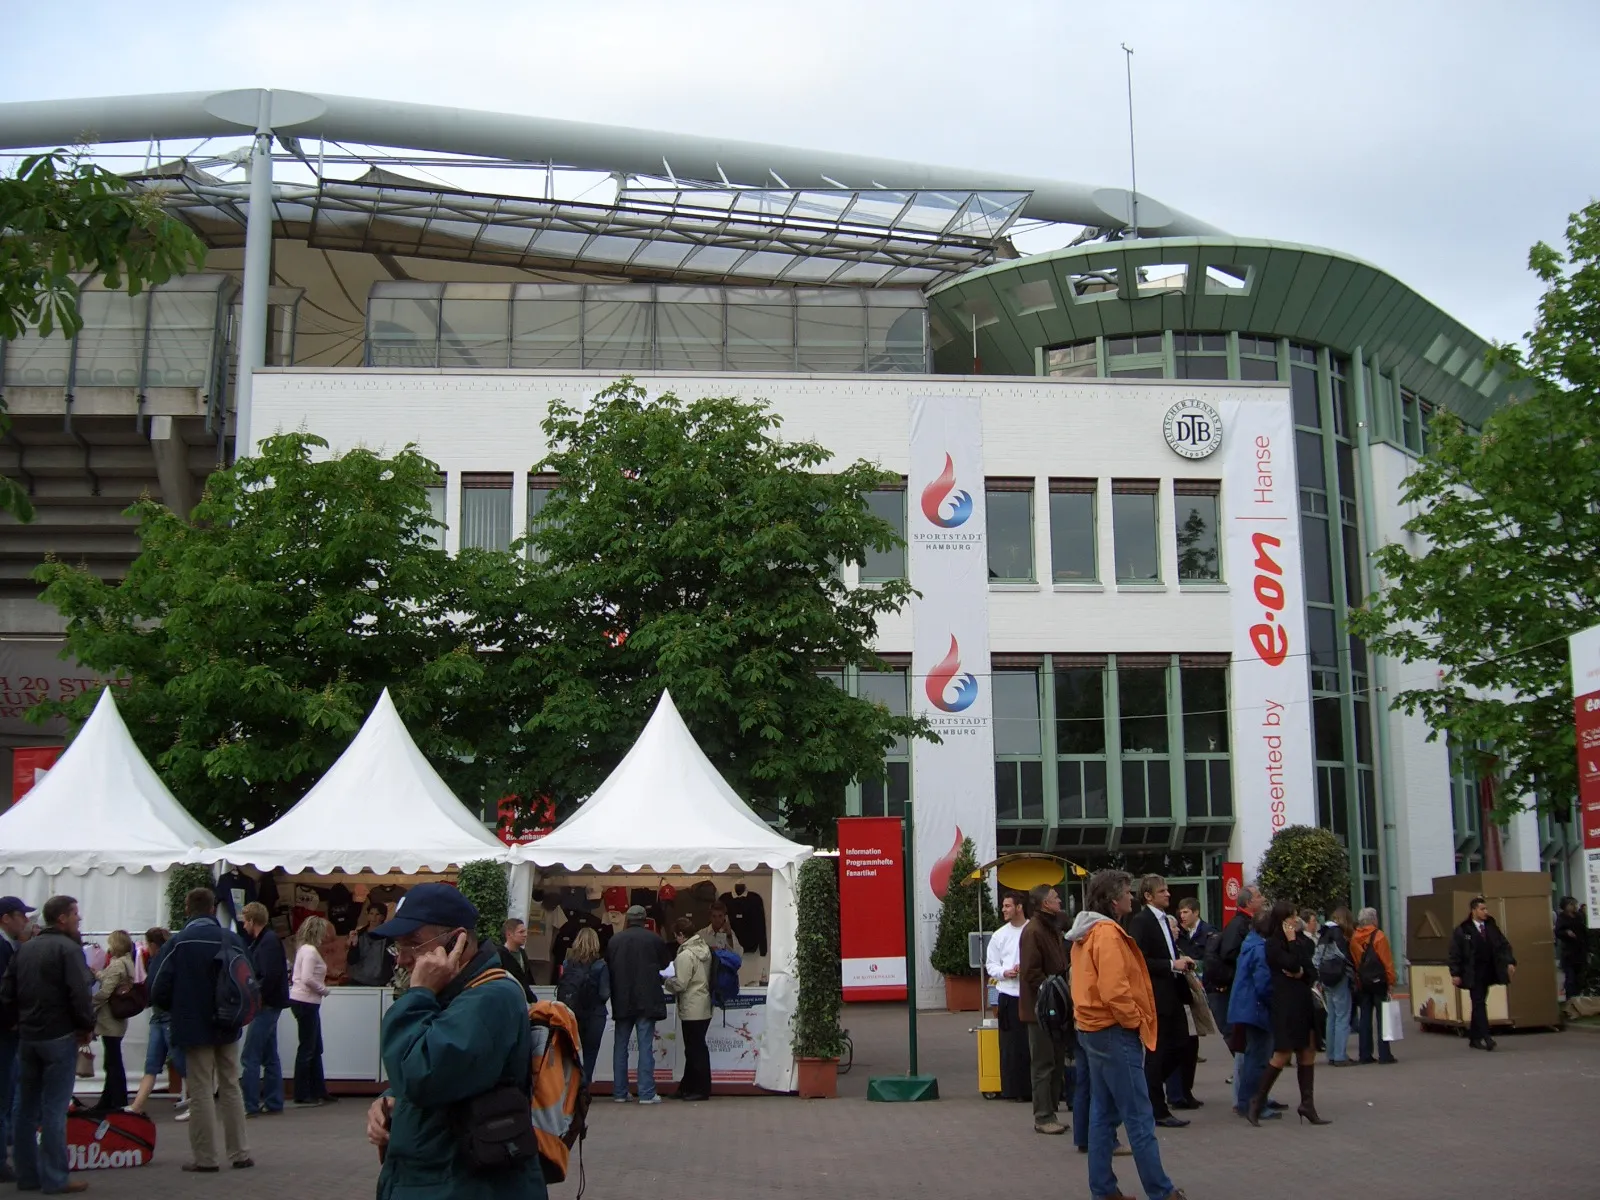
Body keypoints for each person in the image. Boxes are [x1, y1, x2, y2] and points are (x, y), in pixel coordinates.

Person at [362, 882, 548, 1200]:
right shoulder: (456, 993)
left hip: (462, 1183)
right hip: (439, 1179)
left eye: (413, 944)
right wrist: (392, 1099)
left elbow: (422, 1074)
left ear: (457, 941)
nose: (403, 959)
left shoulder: (489, 997)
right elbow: (437, 1069)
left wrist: (419, 994)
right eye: (398, 946)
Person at [1067, 870, 1187, 1200]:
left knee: (1103, 1113)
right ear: (1113, 900)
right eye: (1128, 893)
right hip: (1113, 1030)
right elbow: (1115, 990)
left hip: (1094, 1029)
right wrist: (1134, 1021)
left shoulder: (1087, 931)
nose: (1131, 898)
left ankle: (1104, 1189)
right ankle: (1160, 1191)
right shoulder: (1106, 934)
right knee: (1138, 1117)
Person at [148, 887, 253, 1172]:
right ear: (211, 908)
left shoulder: (180, 942)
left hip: (193, 1024)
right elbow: (248, 978)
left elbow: (157, 986)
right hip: (228, 1021)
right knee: (231, 1084)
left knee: (202, 1089)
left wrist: (177, 1008)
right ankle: (240, 1152)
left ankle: (206, 1157)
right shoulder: (231, 938)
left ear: (187, 908)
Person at [0, 894, 94, 1194]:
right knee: (53, 1109)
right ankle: (55, 1177)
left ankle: (28, 1175)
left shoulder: (24, 949)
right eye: (75, 913)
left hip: (29, 1037)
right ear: (62, 918)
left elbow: (7, 991)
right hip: (58, 1035)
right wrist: (86, 1027)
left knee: (25, 1108)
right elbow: (79, 992)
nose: (79, 918)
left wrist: (16, 1020)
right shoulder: (68, 949)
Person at [1247, 899, 1329, 1126]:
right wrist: (1294, 953)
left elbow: (1309, 971)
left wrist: (1301, 970)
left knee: (1308, 1050)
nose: (1295, 921)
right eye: (1291, 917)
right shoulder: (1272, 944)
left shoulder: (1302, 941)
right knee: (1282, 1053)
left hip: (1303, 1000)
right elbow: (1289, 964)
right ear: (1282, 921)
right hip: (1285, 1003)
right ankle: (1257, 1101)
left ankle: (1307, 1104)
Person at [1125, 875, 1193, 1128]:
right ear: (1148, 896)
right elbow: (1138, 959)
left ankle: (1147, 1089)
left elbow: (1168, 952)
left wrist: (1180, 962)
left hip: (1173, 991)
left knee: (1182, 1045)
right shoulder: (1142, 922)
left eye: (1167, 890)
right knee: (1158, 1050)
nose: (1168, 894)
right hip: (1156, 995)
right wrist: (1169, 965)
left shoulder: (1166, 921)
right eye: (1162, 891)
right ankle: (1156, 1107)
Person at [1018, 883, 1069, 1135]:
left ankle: (1051, 1111)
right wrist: (1053, 989)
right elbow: (1030, 972)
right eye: (1055, 898)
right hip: (1041, 1009)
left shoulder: (1052, 927)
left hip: (1055, 1008)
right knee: (1043, 1063)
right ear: (1044, 904)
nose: (1059, 900)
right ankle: (1043, 1116)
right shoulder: (1034, 931)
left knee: (1056, 1062)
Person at [605, 905, 669, 1104]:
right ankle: (646, 1093)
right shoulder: (655, 939)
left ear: (628, 919)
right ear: (644, 920)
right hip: (647, 999)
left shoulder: (614, 941)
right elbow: (666, 966)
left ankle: (620, 1092)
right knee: (645, 1046)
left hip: (622, 998)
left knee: (620, 1047)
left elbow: (608, 966)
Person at [128, 928, 188, 1121]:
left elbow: (155, 987)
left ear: (153, 945)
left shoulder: (160, 961)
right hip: (163, 1016)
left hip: (164, 1015)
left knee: (167, 1062)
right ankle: (137, 1106)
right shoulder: (166, 959)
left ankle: (137, 1106)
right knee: (173, 1062)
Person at [1227, 907, 1280, 1121]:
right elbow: (1264, 983)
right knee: (1258, 1059)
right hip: (1256, 1009)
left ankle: (1248, 1100)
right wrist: (1275, 1003)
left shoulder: (1250, 943)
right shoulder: (1260, 949)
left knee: (1253, 1057)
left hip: (1247, 1007)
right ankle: (1252, 1102)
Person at [1448, 896, 1517, 1051]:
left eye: (1486, 909)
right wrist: (1455, 973)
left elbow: (1503, 945)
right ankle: (1487, 1037)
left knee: (1478, 1003)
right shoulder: (1463, 930)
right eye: (1482, 909)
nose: (1485, 912)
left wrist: (1510, 962)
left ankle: (1474, 1037)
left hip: (1489, 971)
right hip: (1472, 973)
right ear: (1473, 911)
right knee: (1479, 1003)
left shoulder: (1491, 926)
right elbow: (1455, 953)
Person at [0, 895, 37, 1183]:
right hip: (5, 1032)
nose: (25, 921)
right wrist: (12, 1022)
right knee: (4, 1095)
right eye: (21, 915)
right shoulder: (3, 949)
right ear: (6, 918)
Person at [238, 903, 287, 1117]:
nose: (242, 924)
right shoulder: (268, 940)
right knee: (269, 1055)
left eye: (244, 920)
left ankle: (249, 1104)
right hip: (270, 1004)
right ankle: (274, 1101)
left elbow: (268, 976)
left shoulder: (266, 943)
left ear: (251, 920)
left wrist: (254, 996)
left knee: (250, 1056)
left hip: (265, 1005)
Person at [984, 890, 1031, 1103]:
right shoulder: (999, 935)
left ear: (1019, 907)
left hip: (1030, 994)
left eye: (1008, 906)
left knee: (1030, 1044)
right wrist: (1005, 972)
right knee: (1011, 1045)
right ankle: (1013, 1089)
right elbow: (991, 965)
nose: (1004, 910)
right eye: (1003, 906)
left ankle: (1032, 1089)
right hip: (1008, 994)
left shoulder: (1032, 930)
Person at [1163, 897, 1210, 1111]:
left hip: (1188, 1003)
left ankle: (1186, 1091)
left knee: (1191, 1048)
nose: (1176, 929)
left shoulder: (1181, 947)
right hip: (1176, 1005)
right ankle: (1175, 1093)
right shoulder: (1167, 952)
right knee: (1177, 1049)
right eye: (1172, 926)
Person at [663, 917, 713, 1101]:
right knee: (696, 1048)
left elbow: (680, 983)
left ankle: (699, 1089)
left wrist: (666, 981)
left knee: (695, 1050)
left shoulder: (685, 955)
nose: (676, 939)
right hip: (703, 1004)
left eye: (676, 935)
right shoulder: (703, 949)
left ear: (682, 935)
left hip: (691, 1006)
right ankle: (688, 1087)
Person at [87, 929, 135, 1115]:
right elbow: (111, 981)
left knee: (113, 1061)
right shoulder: (127, 963)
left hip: (109, 1020)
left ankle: (115, 1099)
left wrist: (88, 1002)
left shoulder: (117, 965)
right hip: (117, 1020)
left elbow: (106, 992)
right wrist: (97, 973)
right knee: (113, 1060)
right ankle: (109, 1099)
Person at [289, 915, 334, 1106]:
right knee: (308, 1048)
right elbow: (307, 978)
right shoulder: (310, 952)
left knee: (314, 1047)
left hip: (304, 1001)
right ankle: (303, 1092)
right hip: (307, 1001)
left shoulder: (304, 950)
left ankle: (318, 1090)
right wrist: (324, 990)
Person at [557, 927, 610, 1086]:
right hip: (595, 1014)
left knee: (572, 1053)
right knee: (590, 1054)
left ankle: (571, 1087)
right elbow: (604, 994)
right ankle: (583, 1089)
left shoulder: (567, 963)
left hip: (572, 1013)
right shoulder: (601, 965)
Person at [1349, 907, 1397, 1065]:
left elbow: (1356, 961)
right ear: (1374, 919)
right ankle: (1384, 1054)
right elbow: (1386, 961)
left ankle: (1365, 1054)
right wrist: (1391, 981)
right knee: (1383, 1018)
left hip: (1363, 981)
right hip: (1379, 981)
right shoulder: (1379, 936)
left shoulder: (1355, 937)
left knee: (1365, 1017)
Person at [1313, 907, 1355, 1066]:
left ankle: (1331, 1054)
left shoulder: (1323, 932)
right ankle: (1340, 1055)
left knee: (1331, 1016)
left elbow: (1316, 958)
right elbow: (1344, 956)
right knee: (1343, 1016)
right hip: (1339, 977)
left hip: (1325, 976)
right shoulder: (1338, 933)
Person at [346, 901, 396, 989]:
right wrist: (354, 945)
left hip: (381, 983)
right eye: (371, 914)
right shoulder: (359, 934)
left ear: (383, 917)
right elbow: (351, 960)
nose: (373, 917)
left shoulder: (390, 937)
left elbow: (393, 961)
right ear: (368, 915)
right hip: (359, 981)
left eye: (377, 914)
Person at [1555, 896, 1587, 1003]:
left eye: (1574, 904)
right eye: (1571, 904)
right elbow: (1558, 932)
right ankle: (1570, 1001)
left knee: (1580, 978)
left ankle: (1579, 1001)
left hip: (1580, 951)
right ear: (1565, 906)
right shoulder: (1562, 917)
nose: (1573, 906)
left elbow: (1584, 931)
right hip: (1569, 952)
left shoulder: (1579, 916)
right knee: (1570, 979)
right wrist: (1566, 932)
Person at [497, 918, 537, 1000]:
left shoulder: (522, 953)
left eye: (525, 931)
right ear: (509, 934)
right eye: (521, 932)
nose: (525, 935)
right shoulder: (499, 954)